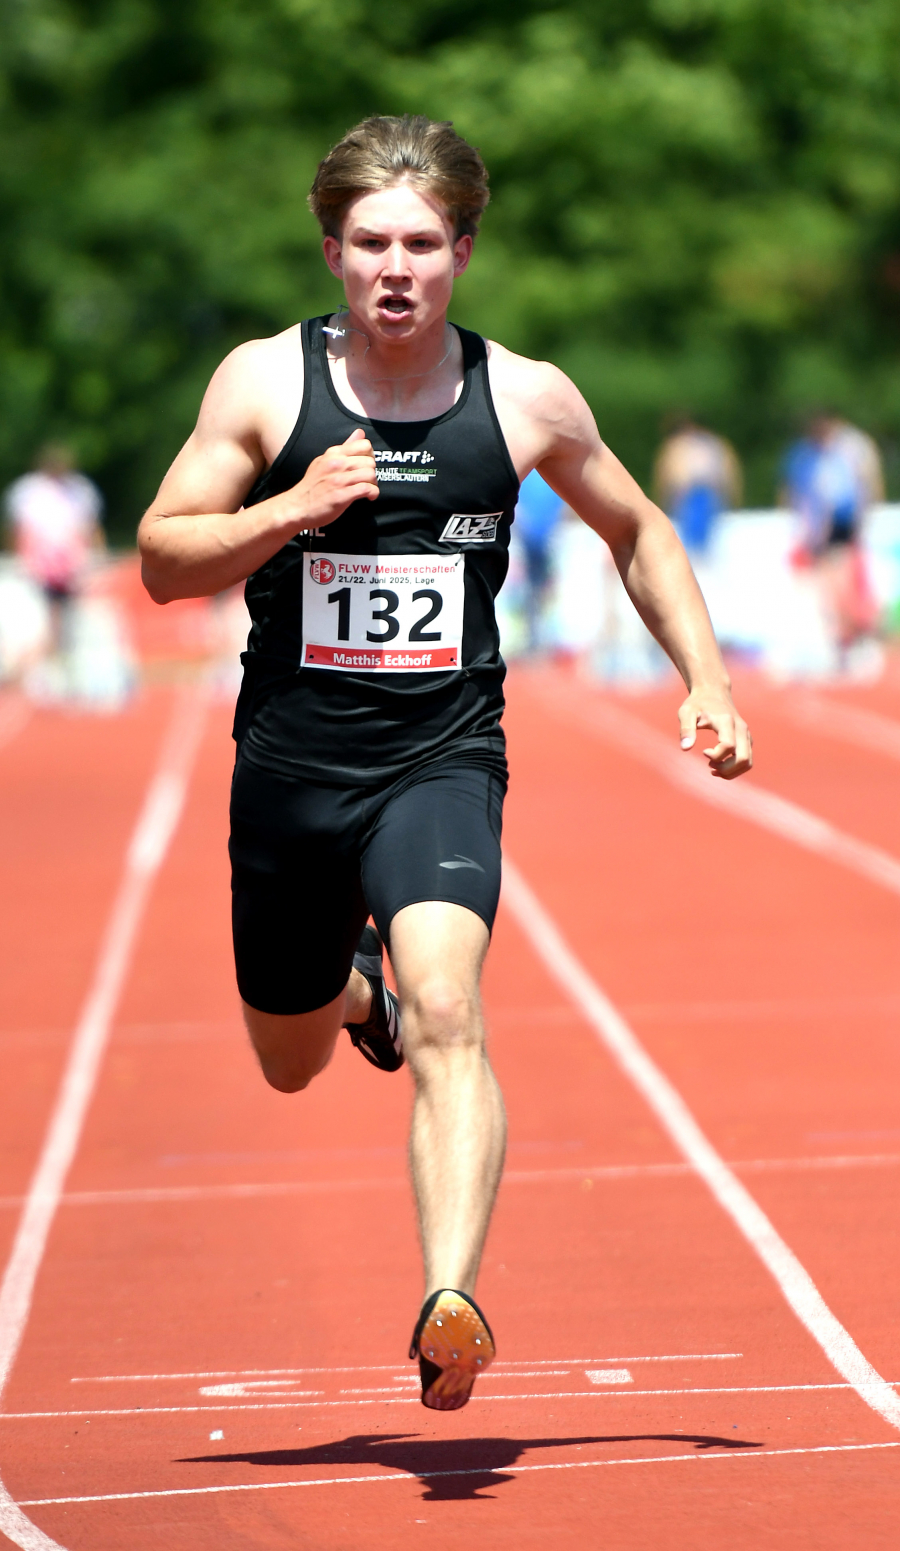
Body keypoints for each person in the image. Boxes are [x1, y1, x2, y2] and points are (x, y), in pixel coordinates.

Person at [138, 115, 752, 1413]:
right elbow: (160, 558)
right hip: (292, 770)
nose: (396, 267)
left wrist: (705, 675)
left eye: (422, 241)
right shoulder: (265, 385)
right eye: (371, 243)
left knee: (456, 1006)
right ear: (332, 251)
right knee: (290, 1053)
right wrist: (291, 507)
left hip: (442, 755)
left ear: (463, 248)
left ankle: (449, 1297)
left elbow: (637, 529)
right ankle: (353, 997)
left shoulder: (523, 397)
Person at [781, 413, 882, 656]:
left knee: (838, 583)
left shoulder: (836, 456)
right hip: (832, 530)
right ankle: (846, 635)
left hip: (836, 529)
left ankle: (849, 635)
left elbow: (835, 498)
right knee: (835, 584)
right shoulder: (822, 457)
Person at [3, 443, 104, 655]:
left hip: (71, 563)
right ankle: (45, 658)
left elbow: (90, 526)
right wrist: (18, 557)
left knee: (71, 618)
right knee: (43, 617)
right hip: (39, 564)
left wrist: (96, 556)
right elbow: (18, 529)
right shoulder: (28, 490)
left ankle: (61, 655)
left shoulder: (80, 489)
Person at [653, 417, 742, 558]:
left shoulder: (676, 445)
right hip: (708, 493)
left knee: (692, 540)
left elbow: (665, 473)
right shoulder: (713, 443)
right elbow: (729, 470)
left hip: (688, 494)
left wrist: (662, 499)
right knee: (707, 538)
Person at [513, 468, 564, 651]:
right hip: (527, 540)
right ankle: (530, 635)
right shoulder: (529, 470)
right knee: (527, 589)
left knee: (546, 587)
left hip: (548, 539)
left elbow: (561, 505)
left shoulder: (550, 471)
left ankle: (545, 636)